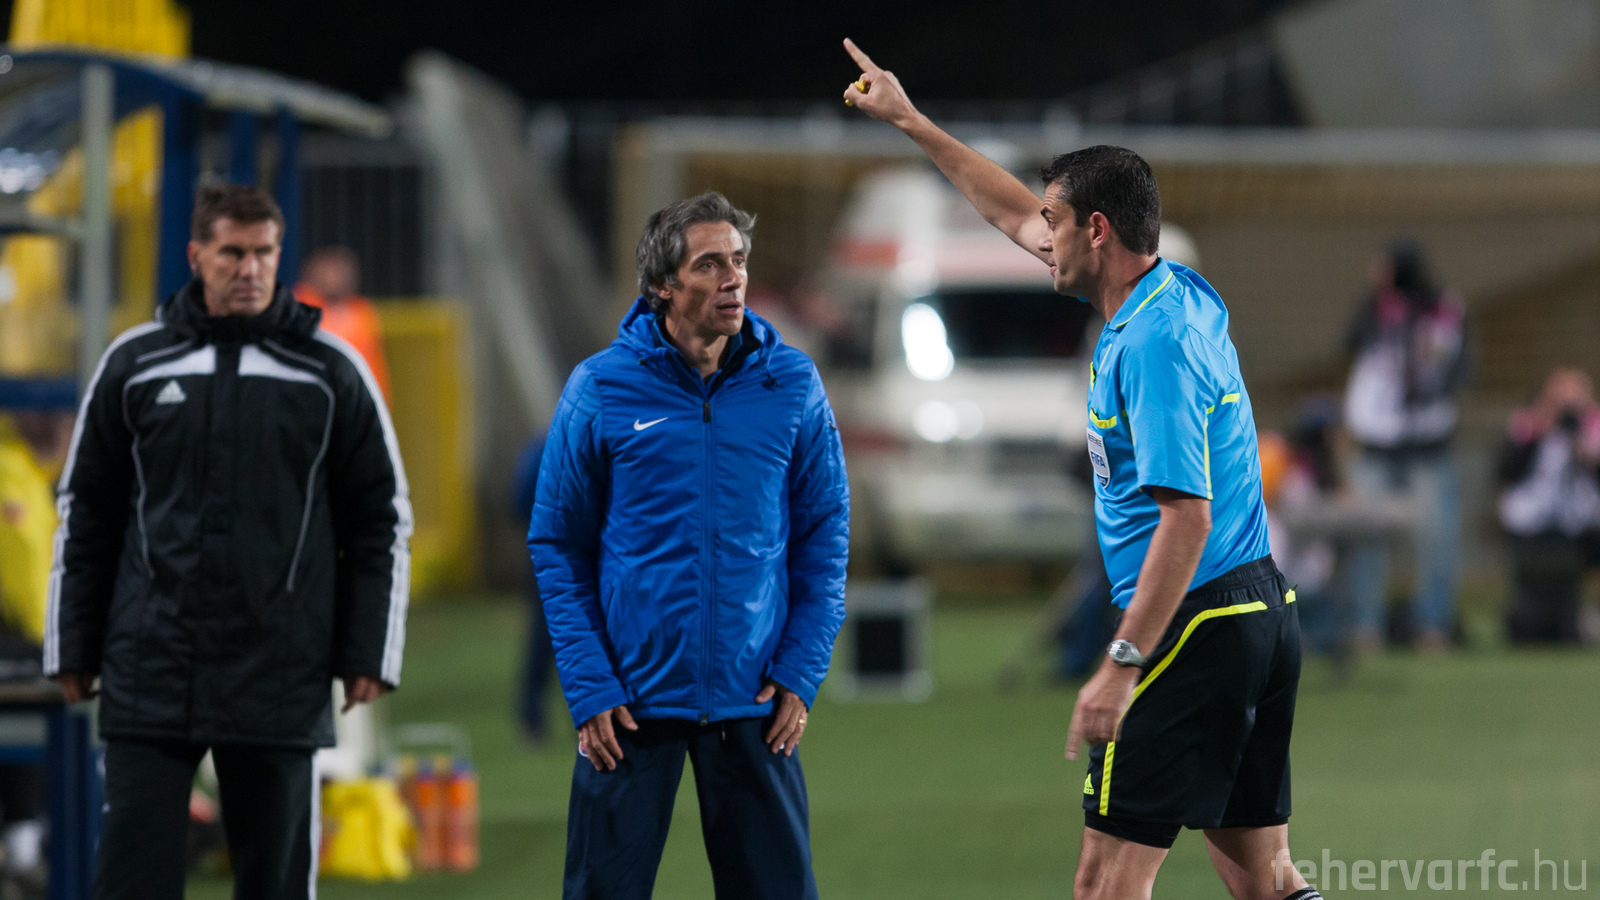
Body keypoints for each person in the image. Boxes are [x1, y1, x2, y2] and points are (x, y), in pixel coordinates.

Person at [844, 39, 1316, 900]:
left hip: (1194, 624)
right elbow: (1009, 215)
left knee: (1104, 883)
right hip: (1253, 610)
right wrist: (911, 121)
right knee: (1263, 876)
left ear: (1096, 231)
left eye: (1055, 223)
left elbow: (1187, 517)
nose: (1039, 237)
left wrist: (1122, 662)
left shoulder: (1154, 344)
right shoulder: (1169, 294)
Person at [44, 183, 412, 900]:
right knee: (129, 882)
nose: (250, 269)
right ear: (196, 256)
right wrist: (73, 646)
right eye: (232, 253)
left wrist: (369, 650)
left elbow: (381, 519)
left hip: (279, 672)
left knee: (276, 885)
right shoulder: (134, 364)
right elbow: (87, 513)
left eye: (264, 253)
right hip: (150, 669)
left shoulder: (330, 371)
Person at [529, 192, 849, 899]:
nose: (733, 278)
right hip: (628, 705)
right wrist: (589, 684)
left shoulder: (791, 383)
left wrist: (800, 669)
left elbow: (824, 536)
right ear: (662, 286)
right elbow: (557, 544)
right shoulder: (600, 387)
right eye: (710, 264)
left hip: (755, 701)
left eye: (739, 260)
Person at [1341, 239, 1466, 651]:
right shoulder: (1376, 307)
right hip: (1376, 440)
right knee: (1367, 537)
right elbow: (1350, 342)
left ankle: (1433, 623)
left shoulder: (1443, 308)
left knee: (1434, 540)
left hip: (1427, 441)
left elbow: (1455, 365)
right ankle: (1365, 625)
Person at [1498, 367, 1600, 644]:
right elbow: (1507, 472)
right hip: (1533, 524)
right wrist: (1537, 432)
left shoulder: (1593, 426)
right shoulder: (1528, 422)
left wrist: (1585, 450)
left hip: (1582, 526)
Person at [294, 245, 392, 401]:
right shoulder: (300, 307)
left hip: (357, 399)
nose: (338, 275)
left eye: (342, 268)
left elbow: (374, 368)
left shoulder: (362, 312)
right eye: (331, 267)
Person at [511, 433, 556, 743]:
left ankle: (532, 720)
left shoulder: (539, 450)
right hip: (575, 557)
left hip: (546, 556)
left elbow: (517, 504)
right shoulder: (542, 450)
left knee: (543, 639)